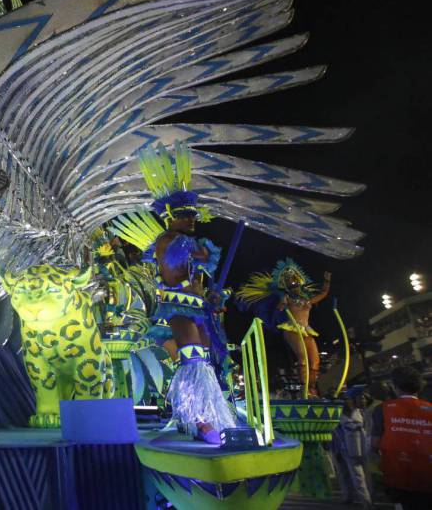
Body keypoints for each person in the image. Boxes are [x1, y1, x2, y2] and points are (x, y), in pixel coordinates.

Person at [111, 143, 238, 445]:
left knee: (207, 362)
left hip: (197, 307)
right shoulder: (170, 240)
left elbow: (195, 274)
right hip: (178, 308)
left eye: (193, 213)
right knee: (193, 362)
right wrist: (199, 256)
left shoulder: (183, 241)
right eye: (185, 213)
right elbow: (178, 269)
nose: (192, 217)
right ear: (169, 215)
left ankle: (213, 417)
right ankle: (198, 419)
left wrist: (213, 297)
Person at [236, 259, 331, 397]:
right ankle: (304, 388)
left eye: (297, 285)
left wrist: (327, 280)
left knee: (315, 361)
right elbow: (279, 307)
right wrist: (282, 305)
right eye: (292, 286)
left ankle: (311, 388)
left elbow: (323, 293)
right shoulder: (286, 298)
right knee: (302, 357)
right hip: (291, 329)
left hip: (306, 329)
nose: (295, 288)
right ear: (287, 288)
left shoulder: (306, 300)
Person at [371, 367, 432, 507]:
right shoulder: (429, 408)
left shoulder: (382, 409)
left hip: (397, 475)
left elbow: (375, 443)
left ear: (394, 386)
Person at [332, 393, 372, 507]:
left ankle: (366, 501)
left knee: (359, 475)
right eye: (344, 400)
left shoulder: (359, 413)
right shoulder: (339, 415)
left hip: (357, 448)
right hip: (343, 447)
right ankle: (349, 497)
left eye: (348, 400)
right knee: (345, 474)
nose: (346, 403)